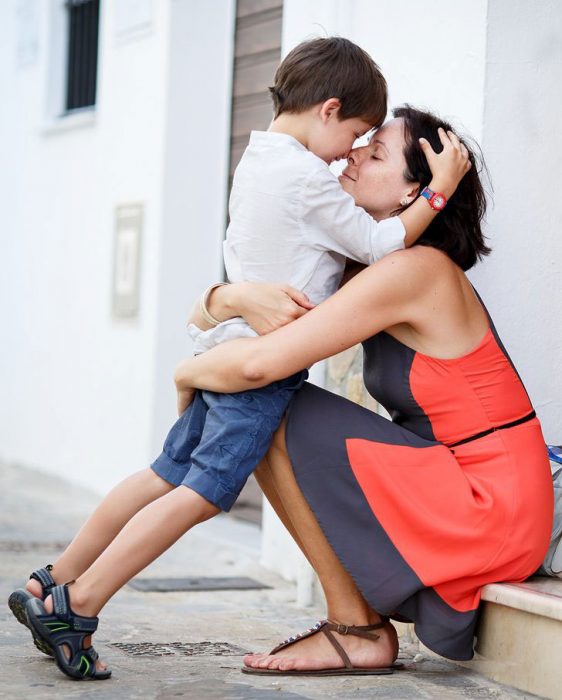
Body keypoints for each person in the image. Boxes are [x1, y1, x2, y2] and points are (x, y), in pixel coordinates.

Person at [9, 38, 469, 681]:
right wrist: (439, 191)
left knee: (160, 474)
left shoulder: (261, 159)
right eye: (358, 134)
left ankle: (47, 581)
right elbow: (375, 241)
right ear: (329, 109)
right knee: (202, 494)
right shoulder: (309, 177)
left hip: (225, 349)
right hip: (260, 370)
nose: (353, 153)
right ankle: (78, 604)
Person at [168, 105, 553, 674]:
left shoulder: (415, 272)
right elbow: (245, 328)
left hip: (493, 502)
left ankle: (358, 629)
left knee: (272, 406)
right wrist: (224, 300)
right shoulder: (370, 266)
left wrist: (185, 373)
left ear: (411, 196)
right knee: (267, 404)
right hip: (467, 480)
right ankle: (356, 621)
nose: (350, 155)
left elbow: (258, 366)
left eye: (374, 155)